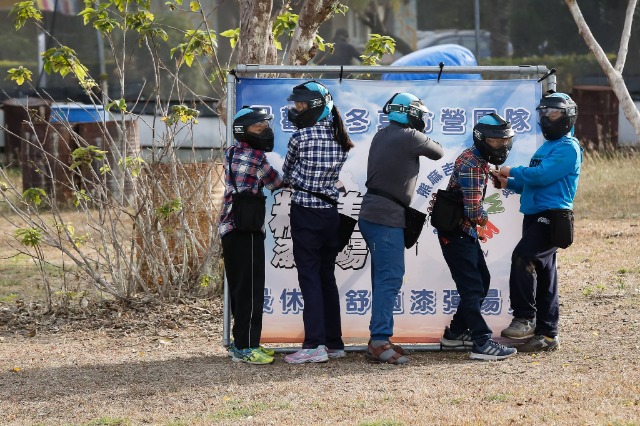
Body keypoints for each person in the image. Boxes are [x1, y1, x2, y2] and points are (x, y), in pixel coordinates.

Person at [358, 92, 444, 364]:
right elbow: (438, 151)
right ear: (409, 113)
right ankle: (379, 340)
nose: (422, 119)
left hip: (373, 212)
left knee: (382, 277)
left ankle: (379, 337)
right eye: (419, 114)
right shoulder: (410, 136)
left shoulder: (381, 135)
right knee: (390, 277)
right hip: (386, 216)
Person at [494, 92, 582, 352]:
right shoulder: (546, 148)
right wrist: (508, 182)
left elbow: (542, 176)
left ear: (568, 117)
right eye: (543, 113)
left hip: (553, 215)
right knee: (546, 275)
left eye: (553, 114)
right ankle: (548, 335)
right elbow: (533, 183)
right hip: (535, 215)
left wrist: (512, 171)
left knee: (524, 256)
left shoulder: (568, 147)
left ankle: (525, 317)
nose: (547, 119)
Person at [282, 80, 355, 364]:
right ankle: (334, 343)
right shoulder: (340, 138)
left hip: (306, 213)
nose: (295, 109)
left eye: (299, 105)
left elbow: (287, 172)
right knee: (326, 278)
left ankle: (314, 345)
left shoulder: (300, 138)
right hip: (330, 215)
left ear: (313, 107)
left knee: (310, 278)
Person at [437, 113, 518, 361]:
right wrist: (484, 222)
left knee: (481, 282)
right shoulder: (473, 164)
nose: (501, 146)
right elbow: (473, 210)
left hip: (462, 231)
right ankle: (482, 342)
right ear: (482, 139)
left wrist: (493, 174)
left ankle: (455, 334)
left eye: (505, 141)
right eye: (495, 141)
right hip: (457, 232)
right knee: (472, 288)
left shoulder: (477, 158)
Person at [220, 107, 285, 365]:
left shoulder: (231, 152)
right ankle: (248, 348)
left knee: (239, 288)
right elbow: (275, 182)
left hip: (229, 227)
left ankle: (240, 345)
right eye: (258, 127)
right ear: (243, 130)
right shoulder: (256, 157)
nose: (265, 130)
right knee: (251, 290)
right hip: (246, 229)